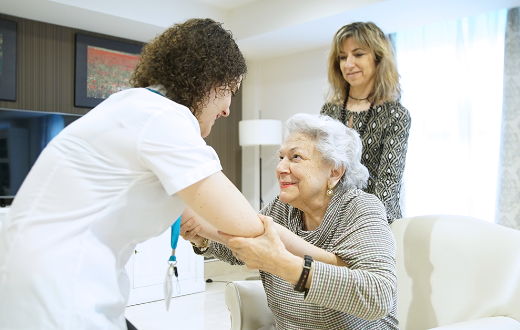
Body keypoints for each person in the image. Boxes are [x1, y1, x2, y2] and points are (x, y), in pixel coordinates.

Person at [0, 18, 268, 330]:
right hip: (59, 290)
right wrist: (321, 260)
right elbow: (246, 225)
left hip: (29, 277)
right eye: (230, 91)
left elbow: (193, 219)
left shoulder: (131, 106)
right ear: (208, 80)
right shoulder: (165, 119)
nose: (227, 109)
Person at [181, 113, 398, 330]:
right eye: (281, 157)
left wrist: (282, 263)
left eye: (296, 157)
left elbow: (378, 296)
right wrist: (201, 236)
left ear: (334, 171)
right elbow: (242, 244)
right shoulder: (283, 209)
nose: (280, 168)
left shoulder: (360, 209)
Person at [320, 21, 411, 224]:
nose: (348, 64)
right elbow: (321, 170)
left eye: (358, 54)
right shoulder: (329, 111)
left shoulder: (396, 115)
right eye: (342, 57)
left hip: (376, 224)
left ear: (378, 59)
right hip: (331, 221)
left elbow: (388, 183)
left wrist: (364, 226)